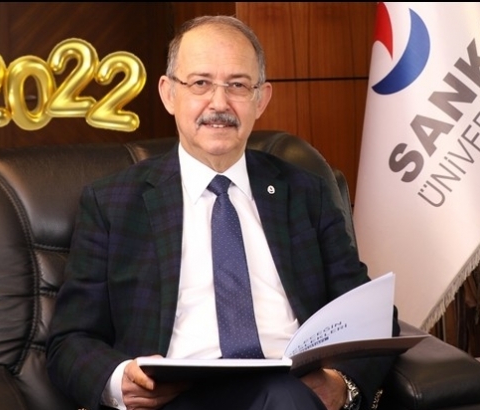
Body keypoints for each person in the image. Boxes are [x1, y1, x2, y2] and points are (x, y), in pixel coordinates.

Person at [46, 15, 399, 410]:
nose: (219, 103)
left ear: (261, 99)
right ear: (168, 93)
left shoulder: (306, 194)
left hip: (291, 391)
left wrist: (342, 385)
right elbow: (69, 341)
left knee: (282, 395)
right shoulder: (113, 203)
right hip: (175, 400)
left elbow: (371, 316)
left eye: (237, 85)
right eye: (200, 83)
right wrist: (120, 381)